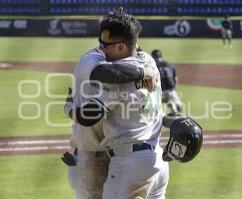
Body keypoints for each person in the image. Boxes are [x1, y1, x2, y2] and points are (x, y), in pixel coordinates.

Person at [62, 8, 158, 199]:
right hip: (102, 155)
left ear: (122, 45)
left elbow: (88, 116)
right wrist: (144, 72)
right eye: (102, 43)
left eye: (106, 43)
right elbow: (107, 72)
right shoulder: (147, 62)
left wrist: (69, 108)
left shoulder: (119, 80)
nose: (103, 47)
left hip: (122, 158)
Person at [151, 49, 182, 116]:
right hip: (171, 90)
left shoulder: (153, 66)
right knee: (179, 108)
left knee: (155, 108)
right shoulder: (170, 64)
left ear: (153, 57)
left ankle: (162, 114)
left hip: (160, 92)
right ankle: (173, 106)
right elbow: (175, 79)